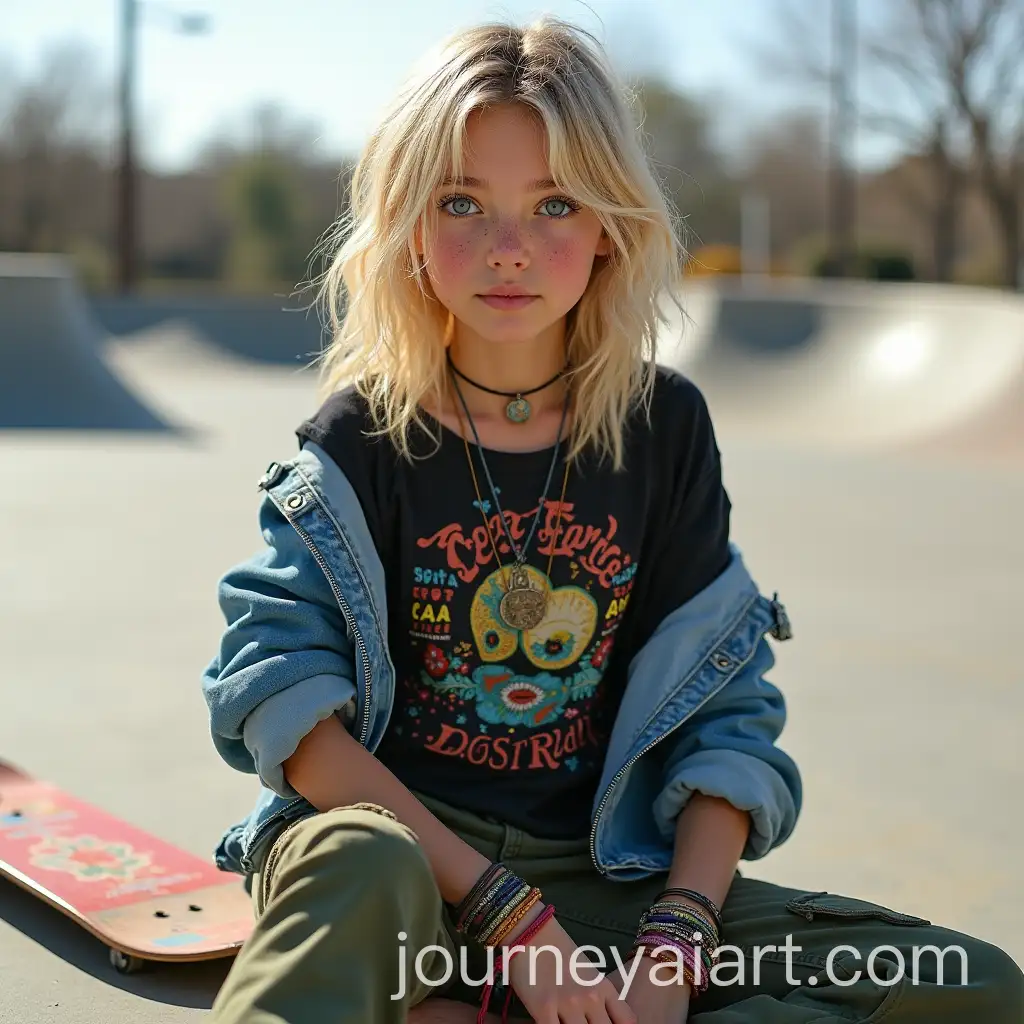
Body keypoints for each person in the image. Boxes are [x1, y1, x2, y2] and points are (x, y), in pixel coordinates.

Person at [200, 16, 1023, 1024]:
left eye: (553, 203)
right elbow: (281, 700)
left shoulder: (662, 430)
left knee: (969, 985)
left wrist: (676, 941)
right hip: (400, 864)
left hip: (598, 880)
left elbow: (726, 721)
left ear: (608, 229)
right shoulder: (360, 437)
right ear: (410, 225)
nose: (508, 250)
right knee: (356, 858)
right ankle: (443, 988)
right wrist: (508, 919)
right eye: (463, 202)